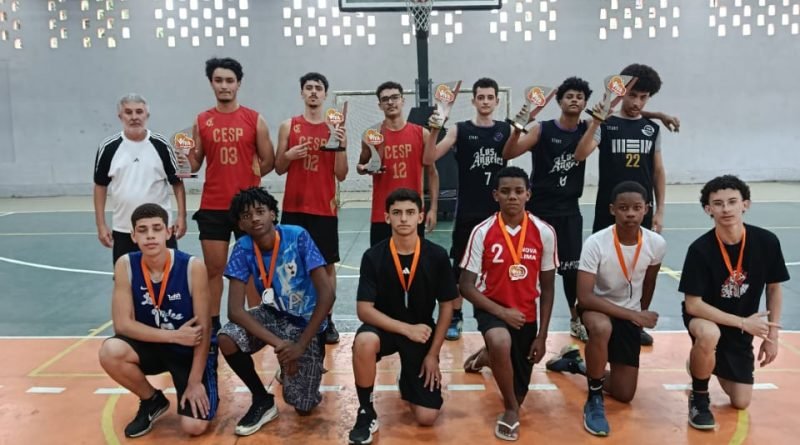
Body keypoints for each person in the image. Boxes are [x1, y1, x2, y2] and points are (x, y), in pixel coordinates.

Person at [575, 63, 679, 346]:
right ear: (621, 94)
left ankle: (635, 319)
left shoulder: (650, 129)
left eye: (644, 98)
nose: (637, 103)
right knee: (603, 267)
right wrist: (596, 121)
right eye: (633, 96)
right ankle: (593, 319)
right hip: (608, 209)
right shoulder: (606, 124)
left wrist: (660, 210)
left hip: (640, 211)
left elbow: (658, 170)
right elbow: (580, 155)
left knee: (638, 269)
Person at [217, 187, 334, 436]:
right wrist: (281, 346)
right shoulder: (243, 248)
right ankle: (262, 399)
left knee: (303, 406)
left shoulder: (297, 236)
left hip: (305, 324)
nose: (254, 218)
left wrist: (300, 346)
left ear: (272, 213)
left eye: (260, 211)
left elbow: (327, 295)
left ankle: (301, 368)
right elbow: (235, 310)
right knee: (227, 338)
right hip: (272, 316)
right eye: (246, 216)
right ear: (240, 224)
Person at [98, 203, 216, 438]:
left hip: (187, 351)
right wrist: (174, 336)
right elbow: (122, 325)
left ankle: (200, 384)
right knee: (110, 351)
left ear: (168, 232)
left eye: (157, 228)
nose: (150, 235)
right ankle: (152, 400)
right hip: (155, 345)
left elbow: (204, 329)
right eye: (142, 230)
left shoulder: (192, 267)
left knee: (194, 427)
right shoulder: (125, 265)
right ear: (133, 236)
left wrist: (195, 382)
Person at [348, 188, 456, 445]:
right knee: (364, 342)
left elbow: (447, 307)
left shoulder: (437, 256)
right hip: (385, 328)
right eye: (397, 213)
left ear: (420, 216)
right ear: (387, 217)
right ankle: (366, 411)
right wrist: (406, 328)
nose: (404, 219)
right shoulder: (373, 256)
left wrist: (433, 355)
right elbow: (364, 310)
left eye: (410, 212)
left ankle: (408, 379)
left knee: (427, 416)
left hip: (421, 333)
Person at [680, 175, 788, 430]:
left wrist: (772, 336)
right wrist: (742, 322)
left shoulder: (767, 242)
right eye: (718, 204)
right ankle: (699, 397)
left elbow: (774, 288)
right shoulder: (700, 250)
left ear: (745, 204)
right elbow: (693, 305)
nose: (726, 209)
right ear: (708, 209)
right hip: (707, 318)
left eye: (732, 201)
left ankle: (699, 363)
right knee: (709, 334)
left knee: (740, 401)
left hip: (742, 326)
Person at [459, 166, 557, 441]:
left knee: (519, 389)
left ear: (528, 194)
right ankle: (511, 410)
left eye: (518, 191)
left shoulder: (544, 232)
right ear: (495, 195)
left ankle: (488, 357)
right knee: (501, 341)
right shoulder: (482, 231)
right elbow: (466, 286)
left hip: (525, 316)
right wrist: (501, 312)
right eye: (505, 191)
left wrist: (542, 336)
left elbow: (548, 288)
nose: (512, 196)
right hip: (492, 307)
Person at [571, 181, 665, 437]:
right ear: (612, 209)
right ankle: (594, 397)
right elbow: (584, 297)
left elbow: (649, 283)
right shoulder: (596, 243)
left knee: (624, 394)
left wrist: (639, 314)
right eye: (623, 208)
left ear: (646, 209)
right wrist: (635, 315)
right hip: (597, 308)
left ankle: (578, 365)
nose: (630, 214)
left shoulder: (656, 244)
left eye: (636, 208)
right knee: (601, 328)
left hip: (628, 313)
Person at [502, 76, 593, 342]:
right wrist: (518, 128)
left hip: (569, 211)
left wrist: (658, 114)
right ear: (559, 101)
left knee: (571, 271)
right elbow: (508, 153)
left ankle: (576, 319)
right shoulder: (542, 129)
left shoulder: (589, 128)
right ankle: (520, 317)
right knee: (528, 267)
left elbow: (583, 152)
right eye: (569, 96)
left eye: (579, 97)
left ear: (585, 103)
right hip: (539, 210)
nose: (574, 100)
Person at [187, 57, 275, 325]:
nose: (224, 86)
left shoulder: (254, 119)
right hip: (213, 205)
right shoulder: (202, 120)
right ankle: (213, 325)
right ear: (211, 83)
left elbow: (269, 160)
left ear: (238, 84)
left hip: (247, 209)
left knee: (252, 268)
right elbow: (194, 163)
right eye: (218, 80)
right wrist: (182, 157)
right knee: (214, 269)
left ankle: (256, 323)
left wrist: (252, 175)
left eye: (229, 81)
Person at [425, 77, 509, 341]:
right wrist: (436, 127)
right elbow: (429, 158)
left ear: (497, 101)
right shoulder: (459, 129)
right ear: (473, 101)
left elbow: (520, 148)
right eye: (480, 97)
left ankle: (496, 314)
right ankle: (456, 315)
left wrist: (524, 123)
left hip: (498, 214)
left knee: (498, 267)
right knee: (461, 268)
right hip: (468, 213)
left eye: (489, 97)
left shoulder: (505, 130)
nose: (485, 101)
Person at [274, 72, 347, 345]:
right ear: (302, 93)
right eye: (309, 87)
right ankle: (293, 317)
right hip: (294, 207)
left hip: (323, 208)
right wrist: (289, 155)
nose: (314, 92)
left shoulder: (334, 128)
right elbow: (279, 167)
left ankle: (328, 320)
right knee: (291, 266)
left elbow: (342, 174)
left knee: (326, 266)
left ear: (325, 94)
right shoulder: (288, 126)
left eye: (318, 88)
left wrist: (341, 146)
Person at [94, 94, 186, 266]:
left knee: (168, 275)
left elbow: (177, 183)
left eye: (139, 112)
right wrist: (101, 224)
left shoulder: (162, 145)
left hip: (160, 228)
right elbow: (100, 186)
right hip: (124, 229)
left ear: (147, 115)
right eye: (128, 112)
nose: (134, 117)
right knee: (125, 277)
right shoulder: (108, 147)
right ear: (120, 116)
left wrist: (182, 216)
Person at [357, 81, 439, 246]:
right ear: (380, 105)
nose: (390, 102)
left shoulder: (421, 133)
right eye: (385, 99)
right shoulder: (371, 135)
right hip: (382, 213)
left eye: (395, 97)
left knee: (414, 259)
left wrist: (433, 209)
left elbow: (432, 173)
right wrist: (364, 168)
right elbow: (360, 166)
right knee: (381, 260)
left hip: (412, 212)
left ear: (403, 100)